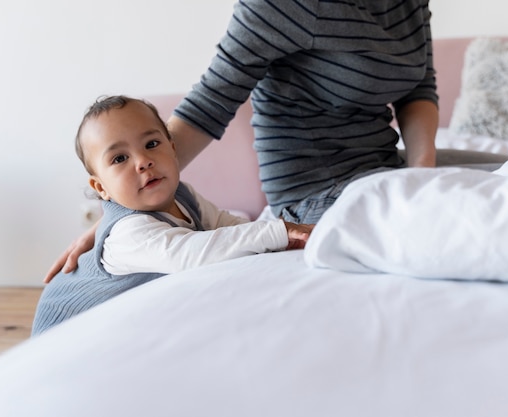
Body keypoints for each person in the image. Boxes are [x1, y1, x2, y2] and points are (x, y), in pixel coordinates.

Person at [45, 0, 439, 282]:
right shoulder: (278, 6)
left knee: (497, 177)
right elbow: (207, 106)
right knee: (462, 203)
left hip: (385, 163)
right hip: (316, 188)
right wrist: (120, 210)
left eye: (148, 149)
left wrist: (421, 174)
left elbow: (420, 86)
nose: (142, 159)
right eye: (118, 159)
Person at [32, 96, 313, 335]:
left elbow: (224, 226)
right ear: (101, 187)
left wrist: (279, 239)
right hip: (69, 331)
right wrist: (276, 231)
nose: (143, 162)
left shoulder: (182, 194)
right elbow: (191, 253)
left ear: (173, 148)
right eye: (119, 159)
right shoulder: (127, 234)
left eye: (152, 144)